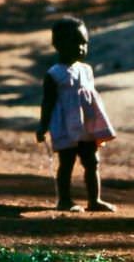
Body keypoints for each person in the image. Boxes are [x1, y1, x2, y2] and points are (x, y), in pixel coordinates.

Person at [36, 16, 117, 213]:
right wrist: (43, 126)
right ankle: (64, 200)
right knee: (67, 162)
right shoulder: (54, 74)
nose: (81, 47)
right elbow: (48, 102)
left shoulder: (87, 71)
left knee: (92, 161)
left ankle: (94, 200)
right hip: (65, 125)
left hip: (87, 126)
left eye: (84, 43)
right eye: (76, 42)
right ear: (58, 44)